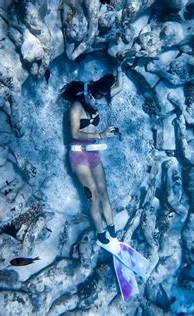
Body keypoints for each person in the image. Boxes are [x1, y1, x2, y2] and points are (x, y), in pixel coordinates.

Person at [60, 67, 123, 247]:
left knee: (104, 191)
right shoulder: (76, 108)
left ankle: (112, 229)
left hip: (93, 153)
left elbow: (120, 86)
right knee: (94, 195)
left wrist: (119, 66)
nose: (101, 105)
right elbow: (73, 133)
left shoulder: (100, 95)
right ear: (93, 96)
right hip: (78, 154)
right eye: (100, 102)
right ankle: (101, 233)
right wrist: (101, 135)